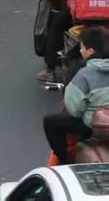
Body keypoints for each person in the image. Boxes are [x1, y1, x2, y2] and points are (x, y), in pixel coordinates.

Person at [44, 26, 109, 163]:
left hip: (94, 127)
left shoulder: (83, 74)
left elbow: (75, 110)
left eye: (82, 48)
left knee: (50, 121)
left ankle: (64, 161)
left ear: (91, 51)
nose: (80, 51)